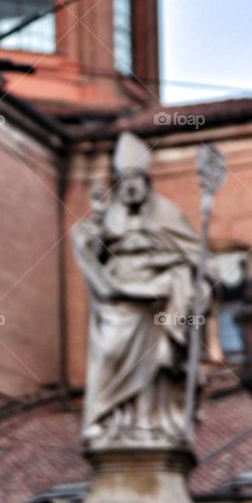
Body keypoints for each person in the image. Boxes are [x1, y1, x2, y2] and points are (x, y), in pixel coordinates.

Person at [73, 132, 205, 448]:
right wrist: (95, 226)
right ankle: (103, 419)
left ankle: (147, 424)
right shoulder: (108, 216)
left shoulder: (167, 214)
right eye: (125, 179)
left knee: (154, 366)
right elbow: (87, 248)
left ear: (147, 182)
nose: (131, 186)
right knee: (109, 354)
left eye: (137, 179)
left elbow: (198, 258)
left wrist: (185, 272)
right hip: (117, 298)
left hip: (157, 299)